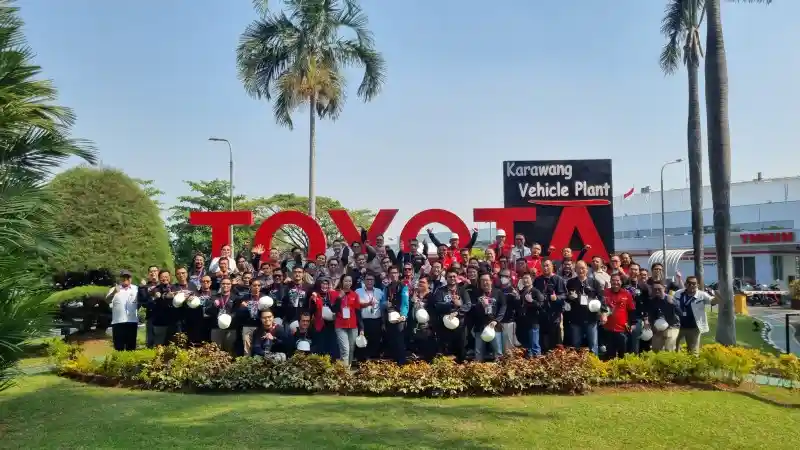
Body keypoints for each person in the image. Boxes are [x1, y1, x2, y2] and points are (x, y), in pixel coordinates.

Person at [565, 261, 606, 355]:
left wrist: (603, 313)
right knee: (576, 344)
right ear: (575, 270)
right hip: (575, 318)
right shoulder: (570, 282)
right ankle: (577, 363)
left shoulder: (594, 282)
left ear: (587, 270)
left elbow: (601, 298)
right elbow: (566, 298)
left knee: (593, 344)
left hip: (591, 317)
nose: (581, 270)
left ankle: (594, 362)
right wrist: (569, 297)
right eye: (578, 268)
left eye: (583, 268)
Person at [433, 267, 472, 362]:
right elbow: (437, 305)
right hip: (444, 325)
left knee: (461, 349)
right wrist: (451, 304)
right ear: (446, 278)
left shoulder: (462, 290)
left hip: (460, 325)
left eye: (454, 276)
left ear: (457, 277)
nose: (452, 278)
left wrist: (458, 309)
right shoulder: (440, 291)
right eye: (450, 277)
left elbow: (468, 305)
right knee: (446, 351)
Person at [674, 276, 716, 354]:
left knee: (693, 351)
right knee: (674, 347)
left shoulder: (702, 294)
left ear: (697, 285)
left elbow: (712, 301)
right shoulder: (678, 293)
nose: (691, 285)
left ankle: (692, 361)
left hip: (694, 327)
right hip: (678, 326)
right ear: (685, 284)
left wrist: (717, 297)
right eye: (689, 283)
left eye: (694, 284)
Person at [471, 272, 506, 361]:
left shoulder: (498, 292)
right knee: (478, 352)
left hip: (494, 325)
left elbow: (503, 307)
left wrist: (496, 321)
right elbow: (472, 308)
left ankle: (499, 367)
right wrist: (481, 306)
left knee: (498, 352)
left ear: (491, 281)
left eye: (486, 280)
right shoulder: (476, 293)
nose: (484, 282)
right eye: (482, 280)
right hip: (480, 326)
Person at [331, 274, 364, 368]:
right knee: (345, 349)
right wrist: (339, 298)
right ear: (342, 282)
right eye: (346, 281)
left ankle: (347, 369)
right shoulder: (335, 293)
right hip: (340, 326)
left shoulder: (355, 295)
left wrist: (361, 328)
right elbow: (334, 310)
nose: (348, 283)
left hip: (353, 326)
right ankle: (344, 372)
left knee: (351, 349)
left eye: (350, 281)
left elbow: (358, 312)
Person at [603, 273, 636, 359]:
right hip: (608, 328)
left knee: (623, 354)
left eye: (617, 280)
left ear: (621, 282)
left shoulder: (626, 294)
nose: (615, 282)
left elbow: (631, 309)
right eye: (613, 280)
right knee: (610, 354)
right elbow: (600, 307)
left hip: (622, 329)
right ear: (610, 281)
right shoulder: (605, 292)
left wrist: (633, 323)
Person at [107, 270, 139, 351]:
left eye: (128, 277)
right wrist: (114, 292)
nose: (126, 279)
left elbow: (141, 301)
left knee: (131, 348)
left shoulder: (136, 289)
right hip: (118, 322)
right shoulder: (114, 289)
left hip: (132, 321)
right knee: (118, 348)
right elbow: (107, 300)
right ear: (120, 278)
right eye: (124, 277)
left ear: (131, 278)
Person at [356, 273, 385, 360]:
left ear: (374, 281)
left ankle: (372, 362)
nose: (369, 281)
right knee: (362, 343)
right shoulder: (358, 291)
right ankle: (362, 361)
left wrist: (383, 322)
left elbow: (383, 307)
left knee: (375, 342)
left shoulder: (379, 291)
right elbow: (356, 305)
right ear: (364, 281)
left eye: (371, 279)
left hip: (376, 321)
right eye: (367, 279)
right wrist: (367, 304)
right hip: (363, 321)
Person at [648, 280, 681, 352]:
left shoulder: (671, 299)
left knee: (669, 348)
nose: (657, 291)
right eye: (655, 289)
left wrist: (672, 304)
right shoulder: (652, 301)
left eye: (659, 289)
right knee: (655, 349)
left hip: (672, 326)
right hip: (658, 328)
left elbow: (680, 313)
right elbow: (651, 317)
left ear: (664, 288)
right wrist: (654, 328)